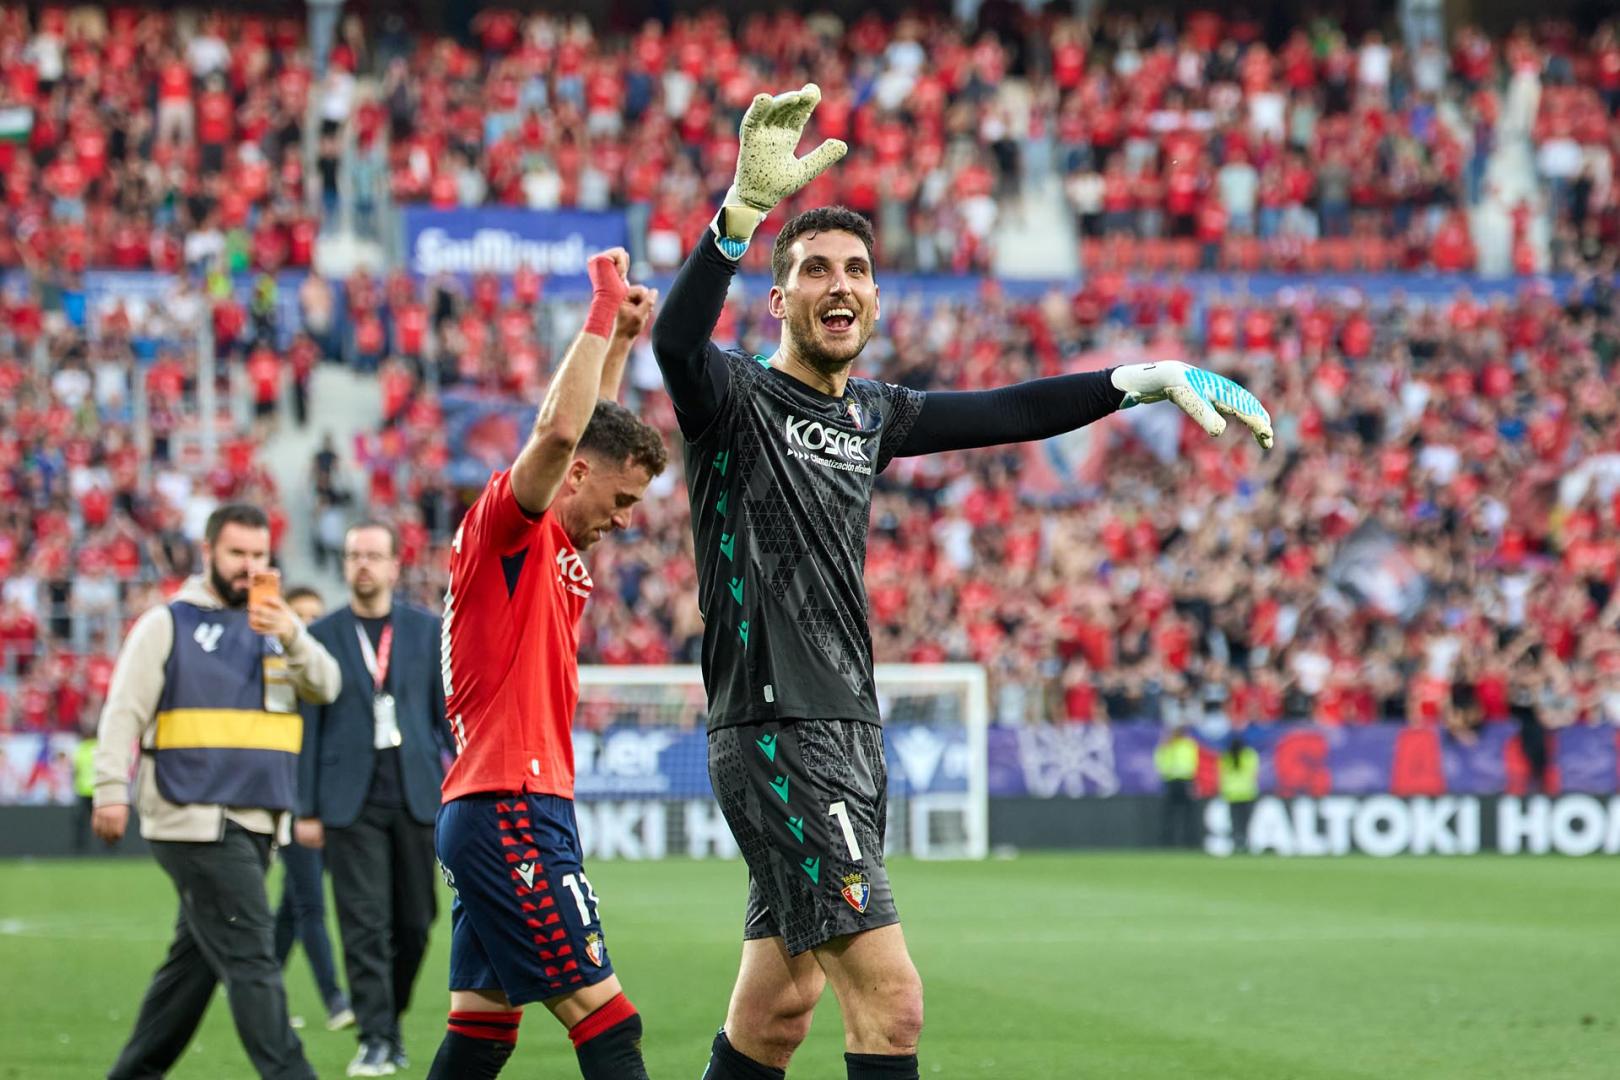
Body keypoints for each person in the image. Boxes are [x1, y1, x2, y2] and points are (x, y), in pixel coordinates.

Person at [649, 84, 1275, 1080]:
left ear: (877, 299)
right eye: (813, 270)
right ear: (779, 300)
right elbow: (675, 342)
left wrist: (1137, 378)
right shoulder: (735, 402)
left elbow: (1010, 410)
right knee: (891, 1005)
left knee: (780, 1012)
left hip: (848, 731)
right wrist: (737, 218)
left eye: (856, 269)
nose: (838, 284)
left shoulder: (874, 416)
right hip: (779, 732)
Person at [424, 247, 666, 1080]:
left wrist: (624, 343)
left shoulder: (553, 528)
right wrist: (601, 304)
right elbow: (563, 431)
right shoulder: (508, 526)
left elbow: (591, 427)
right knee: (611, 1025)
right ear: (577, 480)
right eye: (623, 501)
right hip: (510, 804)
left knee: (481, 1032)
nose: (626, 522)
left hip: (502, 801)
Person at [91, 503, 342, 1080]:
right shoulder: (168, 623)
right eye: (237, 554)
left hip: (255, 825)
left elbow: (327, 685)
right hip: (194, 816)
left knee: (190, 974)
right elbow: (122, 711)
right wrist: (110, 787)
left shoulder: (278, 630)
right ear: (209, 554)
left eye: (259, 555)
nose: (249, 567)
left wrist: (292, 633)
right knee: (254, 959)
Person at [296, 522, 451, 1077]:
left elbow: (443, 719)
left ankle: (389, 1018)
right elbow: (307, 727)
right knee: (362, 922)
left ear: (393, 566)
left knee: (416, 921)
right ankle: (376, 1038)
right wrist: (305, 809)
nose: (362, 564)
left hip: (414, 797)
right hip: (346, 802)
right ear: (344, 565)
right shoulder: (319, 634)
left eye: (373, 555)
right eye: (353, 554)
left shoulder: (427, 631)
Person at [273, 585, 355, 1035]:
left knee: (292, 907)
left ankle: (261, 983)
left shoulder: (328, 681)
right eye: (299, 617)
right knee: (309, 906)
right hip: (292, 808)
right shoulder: (280, 680)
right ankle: (335, 999)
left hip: (327, 807)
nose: (308, 627)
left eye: (314, 618)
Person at [1155, 724, 1201, 848]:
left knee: (1189, 815)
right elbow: (1160, 762)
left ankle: (1190, 843)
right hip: (1171, 781)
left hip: (1186, 780)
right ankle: (1168, 843)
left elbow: (1193, 763)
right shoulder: (1168, 745)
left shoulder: (1189, 744)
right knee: (1169, 815)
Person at [1218, 734, 1260, 854]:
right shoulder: (1250, 755)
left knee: (1235, 821)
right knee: (1247, 821)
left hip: (1231, 794)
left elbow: (1221, 776)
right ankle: (1246, 844)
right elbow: (1254, 774)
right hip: (1248, 793)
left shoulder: (1226, 757)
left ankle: (1237, 843)